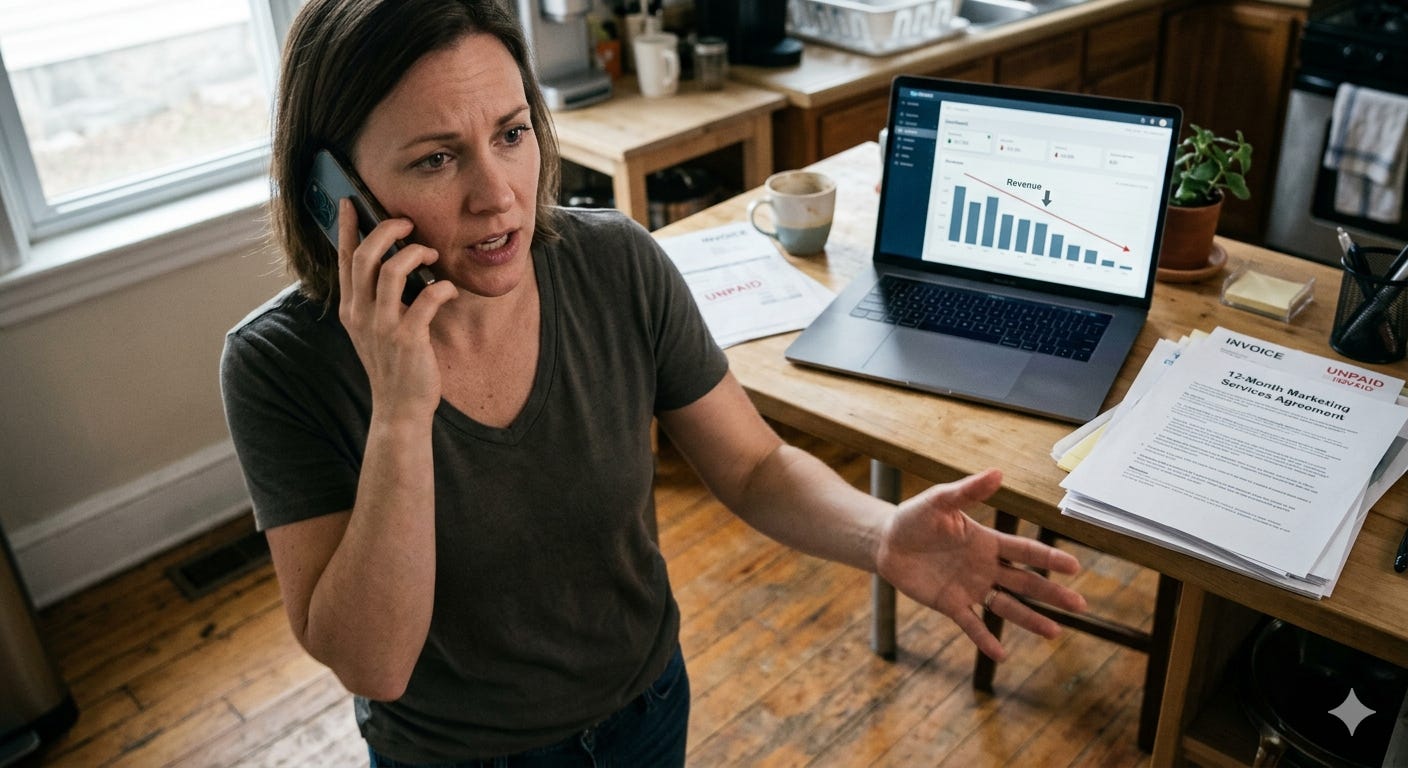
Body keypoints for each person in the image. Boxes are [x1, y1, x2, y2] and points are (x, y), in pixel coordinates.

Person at [219, 0, 1089, 765]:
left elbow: (753, 467)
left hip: (645, 714)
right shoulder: (279, 366)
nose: (501, 198)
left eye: (512, 134)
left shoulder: (615, 263)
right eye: (437, 160)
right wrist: (402, 414)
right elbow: (373, 663)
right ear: (335, 188)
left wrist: (879, 535)